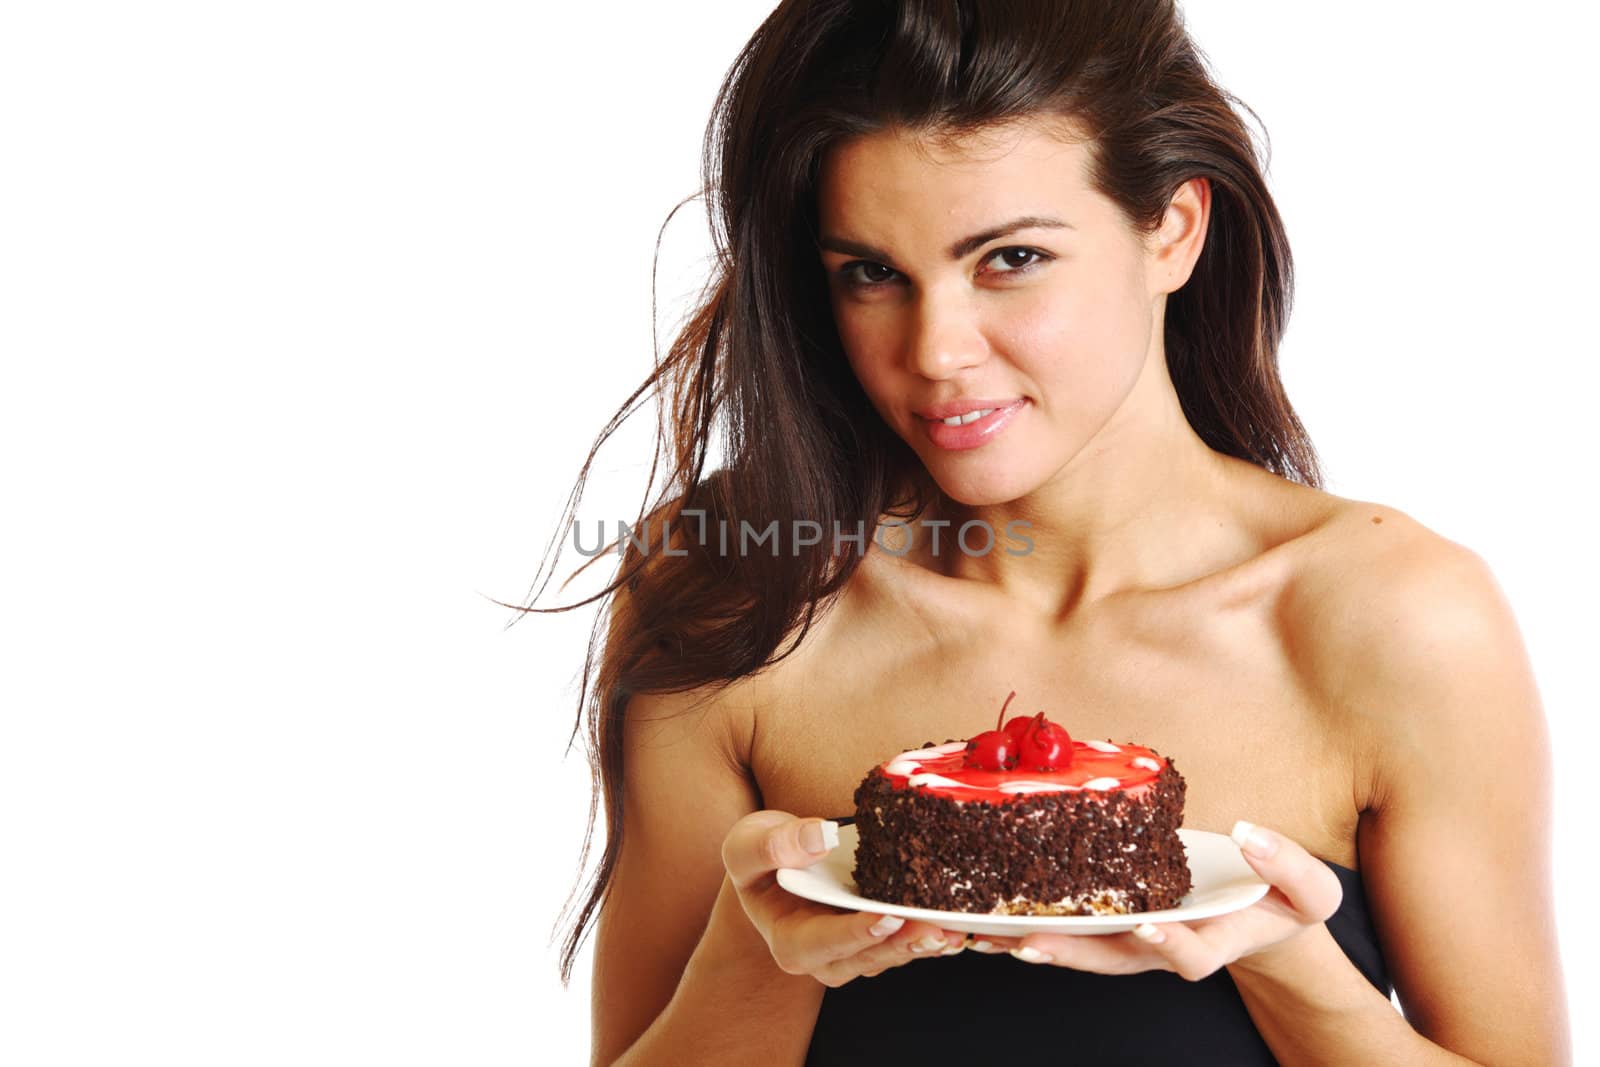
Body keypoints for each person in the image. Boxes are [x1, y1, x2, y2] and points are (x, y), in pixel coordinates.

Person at [532, 1, 1570, 1063]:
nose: (935, 351)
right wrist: (756, 948)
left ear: (1171, 228)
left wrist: (1285, 963)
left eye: (1010, 258)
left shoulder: (1394, 619)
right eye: (872, 272)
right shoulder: (732, 584)